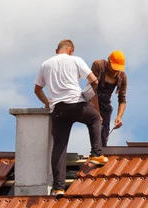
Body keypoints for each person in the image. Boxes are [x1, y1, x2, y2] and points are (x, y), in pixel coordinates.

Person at [34, 39, 108, 198]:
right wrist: (88, 94)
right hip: (76, 104)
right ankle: (96, 154)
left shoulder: (45, 65)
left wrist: (48, 103)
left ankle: (59, 188)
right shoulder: (76, 60)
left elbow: (37, 90)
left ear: (56, 50)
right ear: (71, 50)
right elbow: (94, 80)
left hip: (58, 110)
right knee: (94, 118)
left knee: (59, 147)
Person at [91, 50, 127, 147]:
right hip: (91, 102)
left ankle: (101, 154)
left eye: (118, 68)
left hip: (105, 105)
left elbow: (122, 99)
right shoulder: (98, 65)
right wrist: (97, 113)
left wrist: (119, 117)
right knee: (96, 128)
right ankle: (95, 153)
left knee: (104, 134)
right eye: (114, 67)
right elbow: (92, 91)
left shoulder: (122, 77)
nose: (115, 70)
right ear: (109, 61)